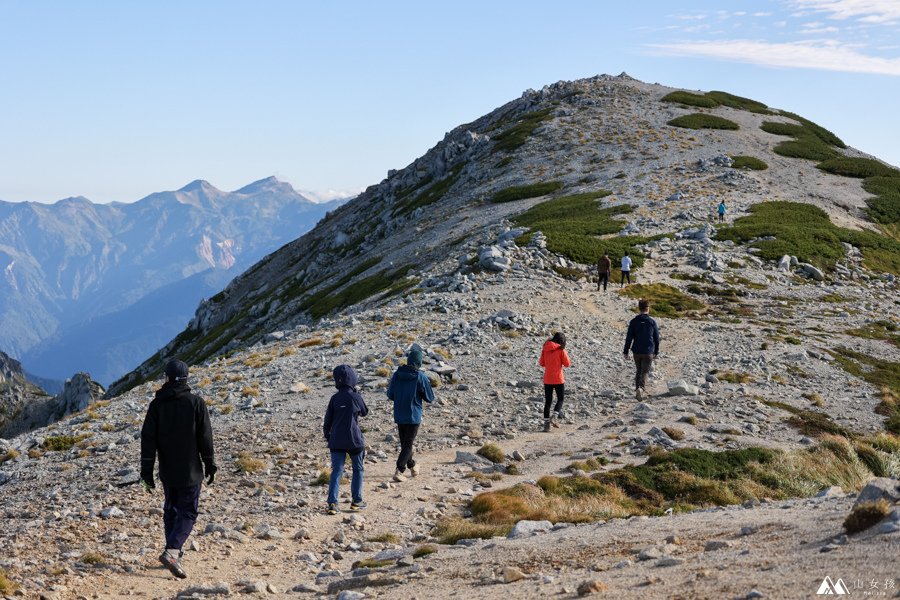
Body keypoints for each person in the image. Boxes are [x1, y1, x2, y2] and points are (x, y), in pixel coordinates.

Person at [140, 359, 216, 580]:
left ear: (167, 378)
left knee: (171, 510)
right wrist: (210, 464)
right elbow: (205, 438)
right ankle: (172, 552)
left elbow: (148, 440)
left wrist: (146, 472)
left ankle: (173, 551)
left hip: (168, 470)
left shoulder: (156, 405)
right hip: (191, 470)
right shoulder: (196, 403)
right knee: (189, 512)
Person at [323, 364, 369, 515]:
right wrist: (356, 394)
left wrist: (329, 437)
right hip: (354, 440)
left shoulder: (334, 399)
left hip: (336, 440)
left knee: (337, 470)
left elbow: (327, 422)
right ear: (352, 379)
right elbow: (364, 412)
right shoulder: (355, 396)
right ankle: (356, 501)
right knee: (358, 468)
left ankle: (332, 503)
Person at [387, 347, 434, 482]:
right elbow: (430, 398)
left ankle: (412, 466)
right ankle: (399, 470)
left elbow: (390, 394)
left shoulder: (397, 374)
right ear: (419, 363)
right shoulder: (421, 376)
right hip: (413, 415)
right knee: (408, 444)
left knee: (405, 444)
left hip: (399, 414)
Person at [623, 299, 661, 401]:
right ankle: (641, 388)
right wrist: (656, 352)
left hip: (636, 351)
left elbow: (629, 338)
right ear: (648, 308)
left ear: (639, 308)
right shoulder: (652, 322)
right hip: (648, 351)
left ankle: (637, 390)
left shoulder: (633, 321)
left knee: (638, 370)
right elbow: (657, 338)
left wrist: (625, 351)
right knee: (645, 371)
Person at [539, 332, 571, 432]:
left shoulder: (545, 348)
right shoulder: (561, 350)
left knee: (548, 402)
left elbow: (541, 363)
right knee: (560, 399)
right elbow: (567, 364)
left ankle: (546, 426)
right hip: (558, 378)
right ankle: (555, 416)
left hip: (547, 379)